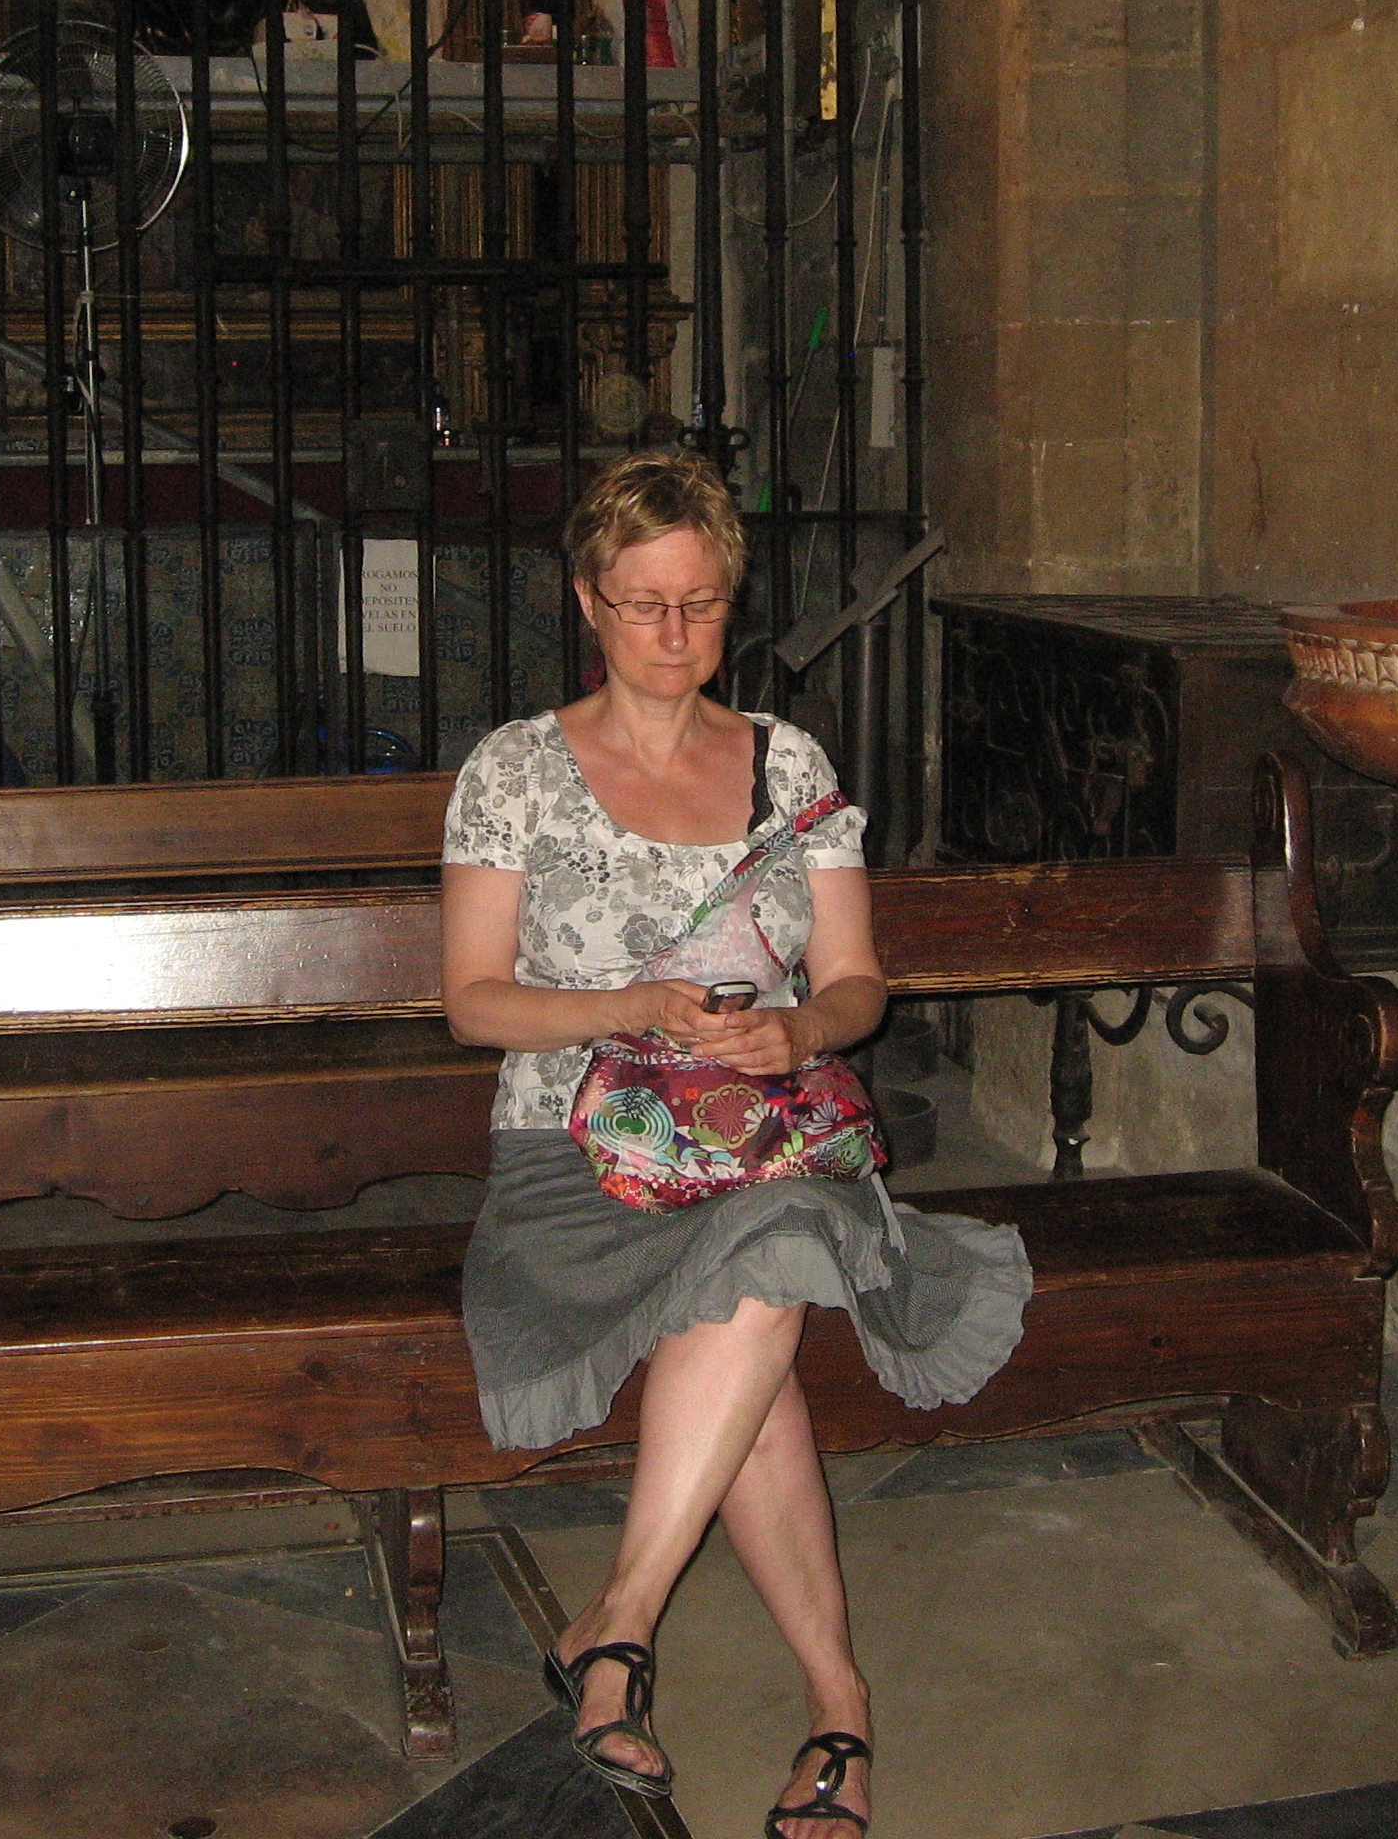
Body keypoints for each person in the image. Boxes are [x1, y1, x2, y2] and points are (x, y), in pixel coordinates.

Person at [439, 449, 1031, 1839]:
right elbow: (473, 1003)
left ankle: (620, 1626)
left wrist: (800, 1031)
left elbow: (859, 984)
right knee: (760, 1303)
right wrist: (633, 1006)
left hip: (761, 1144)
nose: (673, 633)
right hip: (573, 1158)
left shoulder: (790, 763)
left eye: (700, 604)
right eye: (643, 603)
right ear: (588, 599)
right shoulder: (516, 771)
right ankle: (838, 1700)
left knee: (773, 1243)